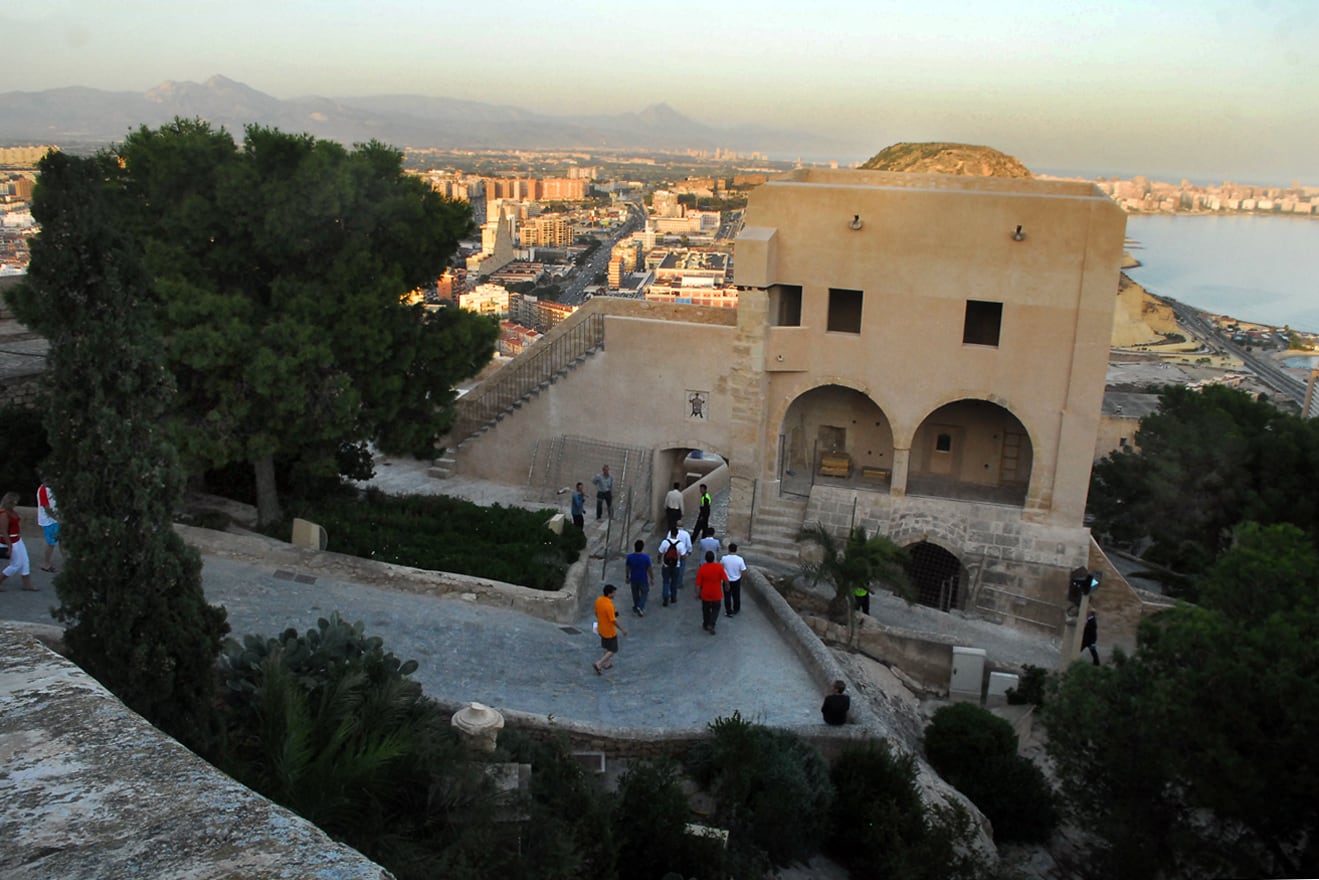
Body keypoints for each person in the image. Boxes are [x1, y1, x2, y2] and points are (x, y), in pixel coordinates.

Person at [0, 491, 35, 592]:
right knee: (17, 563)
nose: (16, 503)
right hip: (11, 540)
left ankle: (27, 584)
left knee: (25, 560)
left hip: (17, 539)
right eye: (15, 501)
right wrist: (10, 546)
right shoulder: (3, 514)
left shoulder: (10, 511)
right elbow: (3, 531)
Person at [593, 584, 627, 674]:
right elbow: (613, 620)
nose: (615, 594)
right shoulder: (609, 605)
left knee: (606, 646)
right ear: (609, 594)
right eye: (614, 593)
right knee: (613, 650)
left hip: (601, 628)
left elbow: (596, 612)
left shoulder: (599, 600)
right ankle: (599, 663)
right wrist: (622, 629)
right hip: (609, 631)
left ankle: (606, 664)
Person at [695, 550, 726, 634]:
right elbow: (725, 579)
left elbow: (698, 583)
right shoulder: (719, 567)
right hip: (716, 593)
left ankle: (706, 624)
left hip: (705, 593)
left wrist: (697, 594)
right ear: (713, 558)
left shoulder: (702, 568)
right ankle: (712, 623)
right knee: (716, 609)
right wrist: (727, 587)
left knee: (706, 610)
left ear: (705, 559)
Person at [36, 475, 61, 572]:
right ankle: (46, 563)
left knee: (60, 541)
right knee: (51, 543)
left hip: (53, 519)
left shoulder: (50, 489)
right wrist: (58, 518)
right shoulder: (43, 490)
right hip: (49, 521)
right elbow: (47, 508)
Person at [625, 540, 653, 617]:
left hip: (633, 578)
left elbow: (627, 568)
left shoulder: (630, 557)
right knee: (644, 593)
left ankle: (636, 606)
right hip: (643, 579)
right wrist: (652, 578)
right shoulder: (646, 558)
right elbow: (649, 569)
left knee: (635, 594)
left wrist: (627, 577)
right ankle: (640, 606)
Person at [658, 527, 684, 606]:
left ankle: (665, 596)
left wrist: (659, 560)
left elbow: (660, 553)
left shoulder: (665, 542)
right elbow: (683, 556)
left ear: (670, 533)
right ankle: (673, 597)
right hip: (676, 566)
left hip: (666, 565)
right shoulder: (680, 544)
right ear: (677, 534)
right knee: (674, 582)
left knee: (665, 581)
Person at [721, 542, 748, 617]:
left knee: (727, 596)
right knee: (736, 595)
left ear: (728, 549)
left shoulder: (724, 558)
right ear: (736, 550)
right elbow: (744, 570)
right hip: (736, 580)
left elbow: (721, 568)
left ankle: (728, 610)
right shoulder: (740, 559)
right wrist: (743, 579)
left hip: (727, 580)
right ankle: (736, 609)